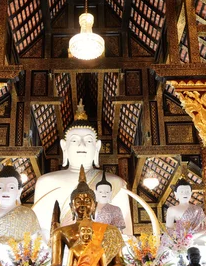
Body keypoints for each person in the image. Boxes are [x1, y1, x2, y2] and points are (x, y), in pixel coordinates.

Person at [29, 167, 151, 266]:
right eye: (78, 201)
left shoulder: (110, 230)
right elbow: (57, 265)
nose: (82, 204)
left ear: (94, 206)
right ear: (72, 207)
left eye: (87, 201)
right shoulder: (60, 232)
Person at [33, 101, 133, 237]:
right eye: (74, 140)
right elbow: (40, 231)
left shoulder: (115, 182)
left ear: (97, 147)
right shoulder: (47, 182)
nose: (82, 144)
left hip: (102, 250)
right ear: (64, 147)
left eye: (88, 140)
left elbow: (125, 234)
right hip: (66, 247)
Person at [0, 164, 42, 266]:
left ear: (19, 191)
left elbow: (36, 242)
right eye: (0, 187)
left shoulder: (28, 213)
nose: (5, 190)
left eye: (11, 187)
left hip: (20, 265)